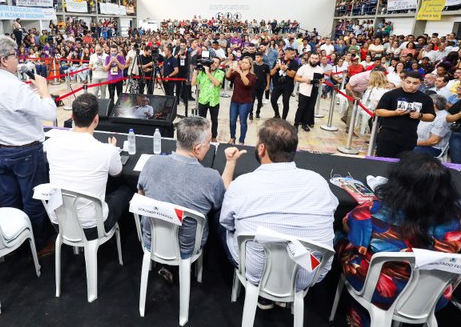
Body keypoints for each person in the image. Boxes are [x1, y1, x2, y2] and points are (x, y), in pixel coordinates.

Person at [339, 152, 461, 327]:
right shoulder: (453, 221)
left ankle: (357, 315)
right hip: (431, 294)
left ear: (397, 184)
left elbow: (349, 226)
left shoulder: (372, 210)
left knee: (340, 239)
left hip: (380, 290)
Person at [220, 119, 338, 307]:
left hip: (256, 271)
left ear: (261, 149)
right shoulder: (318, 182)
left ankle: (261, 292)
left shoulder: (243, 184)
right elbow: (332, 211)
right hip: (309, 274)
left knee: (225, 226)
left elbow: (226, 222)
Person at [0, 35, 57, 250]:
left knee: (8, 198)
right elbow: (50, 112)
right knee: (33, 199)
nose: (18, 60)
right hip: (25, 151)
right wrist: (43, 90)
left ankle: (12, 239)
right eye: (15, 55)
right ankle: (39, 243)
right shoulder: (13, 86)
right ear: (4, 60)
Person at [44, 93, 133, 239]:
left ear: (71, 116)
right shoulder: (106, 150)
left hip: (58, 222)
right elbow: (117, 173)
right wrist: (112, 149)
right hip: (92, 227)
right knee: (126, 189)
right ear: (96, 119)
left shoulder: (52, 144)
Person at [138, 116, 225, 258]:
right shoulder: (212, 178)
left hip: (150, 241)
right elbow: (219, 203)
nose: (210, 146)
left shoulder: (151, 162)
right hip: (187, 249)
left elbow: (140, 195)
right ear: (197, 149)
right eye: (209, 142)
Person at [374, 71, 436, 158]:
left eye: (415, 83)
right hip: (388, 135)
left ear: (420, 83)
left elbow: (431, 116)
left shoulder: (425, 98)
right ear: (403, 80)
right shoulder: (391, 94)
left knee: (403, 166)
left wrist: (420, 115)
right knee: (383, 162)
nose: (411, 85)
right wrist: (395, 113)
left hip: (409, 137)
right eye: (408, 82)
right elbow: (379, 111)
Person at [192, 56, 225, 141]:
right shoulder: (202, 73)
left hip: (214, 100)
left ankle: (214, 137)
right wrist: (195, 73)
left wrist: (208, 73)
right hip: (203, 100)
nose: (213, 64)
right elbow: (193, 83)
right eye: (212, 62)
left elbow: (217, 83)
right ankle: (201, 136)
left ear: (219, 65)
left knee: (214, 120)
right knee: (201, 120)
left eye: (216, 63)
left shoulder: (220, 73)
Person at [226, 57, 256, 144]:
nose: (243, 64)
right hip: (235, 100)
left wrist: (240, 72)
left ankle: (241, 140)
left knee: (242, 121)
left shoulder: (252, 76)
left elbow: (247, 84)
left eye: (246, 63)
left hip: (245, 102)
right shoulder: (236, 73)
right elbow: (228, 77)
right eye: (242, 62)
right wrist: (230, 69)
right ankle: (232, 137)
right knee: (232, 120)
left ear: (250, 65)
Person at [293, 52, 324, 132]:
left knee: (310, 108)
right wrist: (305, 80)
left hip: (314, 91)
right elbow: (296, 78)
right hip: (304, 90)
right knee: (301, 108)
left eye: (316, 58)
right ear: (310, 58)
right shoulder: (303, 68)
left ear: (318, 59)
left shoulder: (320, 69)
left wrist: (321, 81)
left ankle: (305, 124)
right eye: (313, 58)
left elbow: (322, 79)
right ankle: (296, 124)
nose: (314, 60)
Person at [270, 47, 299, 120]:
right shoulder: (278, 60)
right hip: (277, 84)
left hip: (288, 85)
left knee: (285, 102)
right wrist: (276, 68)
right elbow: (271, 73)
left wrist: (285, 69)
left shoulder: (294, 62)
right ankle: (277, 114)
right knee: (273, 100)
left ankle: (284, 119)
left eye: (294, 54)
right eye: (291, 54)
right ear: (286, 53)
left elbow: (292, 74)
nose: (293, 55)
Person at [249, 53, 271, 120]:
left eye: (258, 57)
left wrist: (267, 85)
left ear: (261, 57)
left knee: (260, 99)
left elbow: (268, 75)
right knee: (252, 99)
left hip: (262, 85)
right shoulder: (253, 65)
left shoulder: (266, 66)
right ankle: (251, 113)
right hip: (253, 85)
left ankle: (258, 112)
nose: (256, 58)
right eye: (256, 57)